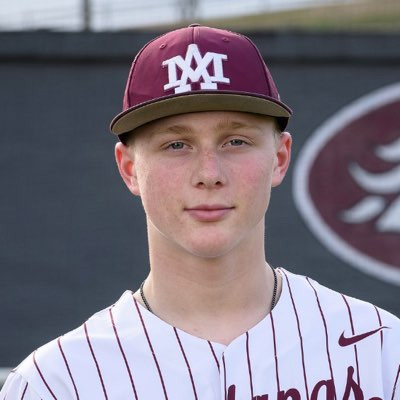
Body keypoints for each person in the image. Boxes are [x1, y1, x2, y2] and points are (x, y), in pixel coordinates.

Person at [1, 24, 399, 400]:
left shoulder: (382, 353)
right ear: (129, 168)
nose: (209, 174)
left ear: (279, 158)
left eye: (236, 141)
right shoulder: (55, 384)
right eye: (176, 145)